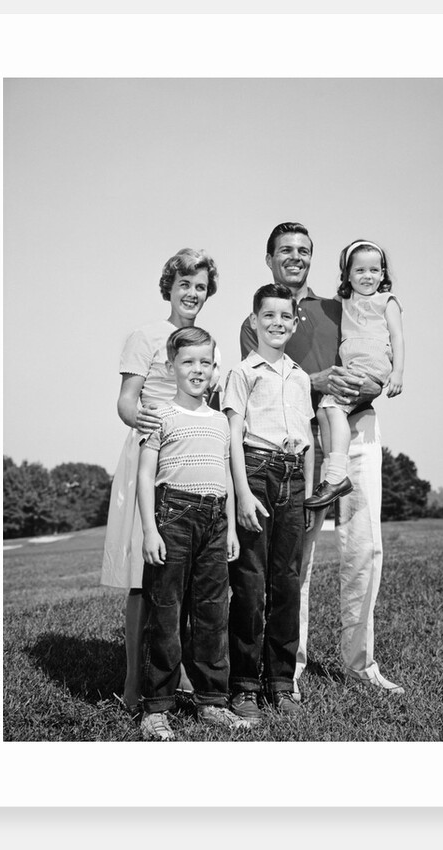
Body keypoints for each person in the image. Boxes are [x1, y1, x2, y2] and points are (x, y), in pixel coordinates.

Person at [240, 222, 405, 696]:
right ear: (269, 258)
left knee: (365, 546)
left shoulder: (340, 304)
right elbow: (266, 379)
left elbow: (381, 345)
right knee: (300, 554)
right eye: (285, 250)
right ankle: (289, 666)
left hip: (360, 428)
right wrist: (321, 380)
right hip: (300, 439)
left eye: (304, 250)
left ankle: (361, 664)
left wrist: (378, 380)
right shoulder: (259, 317)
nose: (296, 257)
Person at [100, 248, 220, 715]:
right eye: (185, 284)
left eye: (201, 286)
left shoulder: (203, 344)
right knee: (143, 580)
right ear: (169, 286)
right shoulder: (145, 336)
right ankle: (133, 687)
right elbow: (126, 402)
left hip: (192, 463)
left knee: (186, 580)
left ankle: (184, 678)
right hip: (150, 458)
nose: (193, 293)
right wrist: (145, 421)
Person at [137, 326, 250, 741]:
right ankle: (156, 708)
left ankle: (212, 701)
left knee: (212, 614)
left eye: (205, 362)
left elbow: (224, 474)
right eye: (188, 362)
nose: (197, 369)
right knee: (166, 612)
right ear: (171, 367)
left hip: (216, 520)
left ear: (214, 366)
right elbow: (145, 475)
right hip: (173, 516)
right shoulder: (160, 415)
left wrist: (232, 529)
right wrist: (151, 530)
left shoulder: (221, 421)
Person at [224, 283, 315, 721]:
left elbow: (309, 439)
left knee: (287, 583)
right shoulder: (243, 373)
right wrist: (242, 492)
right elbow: (234, 439)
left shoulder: (299, 377)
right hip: (256, 475)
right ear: (254, 321)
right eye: (269, 316)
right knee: (250, 583)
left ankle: (280, 682)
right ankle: (243, 684)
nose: (278, 323)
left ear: (294, 323)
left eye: (285, 316)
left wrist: (311, 496)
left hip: (293, 479)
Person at [304, 239, 404, 510]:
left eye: (374, 270)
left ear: (383, 273)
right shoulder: (345, 301)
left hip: (370, 363)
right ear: (347, 274)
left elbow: (397, 337)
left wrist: (397, 373)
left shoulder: (387, 301)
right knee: (325, 408)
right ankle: (333, 471)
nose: (367, 276)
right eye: (359, 270)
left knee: (332, 406)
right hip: (353, 364)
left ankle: (336, 476)